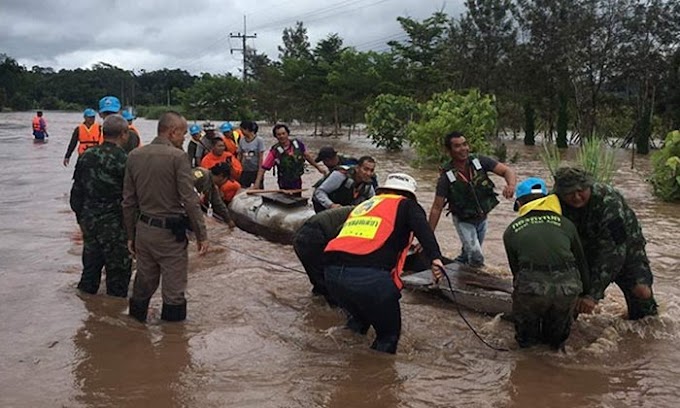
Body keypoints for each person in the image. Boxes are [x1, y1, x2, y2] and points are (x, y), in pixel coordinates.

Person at [324, 173, 446, 354]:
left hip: (332, 275)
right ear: (410, 194)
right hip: (370, 278)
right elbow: (424, 230)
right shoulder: (407, 205)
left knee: (359, 322)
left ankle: (348, 368)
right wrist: (436, 258)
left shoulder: (365, 205)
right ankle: (375, 378)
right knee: (388, 336)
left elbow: (339, 234)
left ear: (383, 190)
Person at [122, 111, 208, 323]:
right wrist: (202, 235)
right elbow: (190, 200)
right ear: (172, 132)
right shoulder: (179, 157)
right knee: (174, 292)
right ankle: (173, 344)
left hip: (144, 231)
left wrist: (131, 235)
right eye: (183, 134)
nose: (184, 139)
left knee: (143, 284)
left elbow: (128, 202)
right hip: (170, 236)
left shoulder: (134, 156)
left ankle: (134, 329)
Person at [554, 167, 658, 320]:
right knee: (568, 304)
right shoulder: (553, 203)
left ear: (589, 186)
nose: (576, 197)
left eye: (581, 191)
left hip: (625, 247)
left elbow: (614, 252)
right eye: (569, 193)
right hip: (583, 250)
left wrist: (593, 295)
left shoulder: (609, 201)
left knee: (642, 292)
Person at [503, 177, 590, 350]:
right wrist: (586, 294)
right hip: (567, 289)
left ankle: (529, 370)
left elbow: (517, 272)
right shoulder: (567, 225)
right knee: (556, 344)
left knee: (527, 345)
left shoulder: (511, 230)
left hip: (532, 290)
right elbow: (581, 263)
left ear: (520, 203)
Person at [428, 131, 516, 268]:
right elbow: (436, 208)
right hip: (464, 221)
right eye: (457, 146)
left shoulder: (479, 162)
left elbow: (506, 171)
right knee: (476, 256)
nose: (463, 149)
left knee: (468, 254)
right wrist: (427, 237)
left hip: (482, 218)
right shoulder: (446, 177)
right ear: (449, 151)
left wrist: (510, 185)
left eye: (465, 144)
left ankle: (458, 267)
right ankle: (478, 282)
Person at [69, 114, 131, 297]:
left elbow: (76, 194)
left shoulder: (86, 156)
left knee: (90, 271)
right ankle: (112, 317)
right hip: (115, 225)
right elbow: (131, 198)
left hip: (89, 222)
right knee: (118, 276)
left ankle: (88, 316)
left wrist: (81, 219)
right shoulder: (125, 159)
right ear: (123, 134)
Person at [293, 206, 354, 306]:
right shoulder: (362, 217)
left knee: (319, 283)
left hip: (303, 235)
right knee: (328, 285)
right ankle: (331, 314)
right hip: (313, 237)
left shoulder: (359, 210)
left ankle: (316, 311)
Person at [253, 123, 326, 193]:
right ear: (276, 136)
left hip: (297, 180)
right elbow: (264, 168)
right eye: (278, 134)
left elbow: (307, 156)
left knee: (297, 200)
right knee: (285, 201)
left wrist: (318, 168)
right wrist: (257, 183)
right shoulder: (275, 151)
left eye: (283, 133)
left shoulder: (298, 144)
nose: (281, 136)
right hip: (283, 182)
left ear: (287, 134)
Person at [237, 120, 265, 188]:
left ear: (247, 129)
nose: (241, 132)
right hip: (245, 171)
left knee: (258, 191)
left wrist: (260, 174)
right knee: (243, 190)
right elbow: (239, 156)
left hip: (255, 170)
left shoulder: (259, 140)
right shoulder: (241, 140)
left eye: (242, 130)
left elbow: (261, 159)